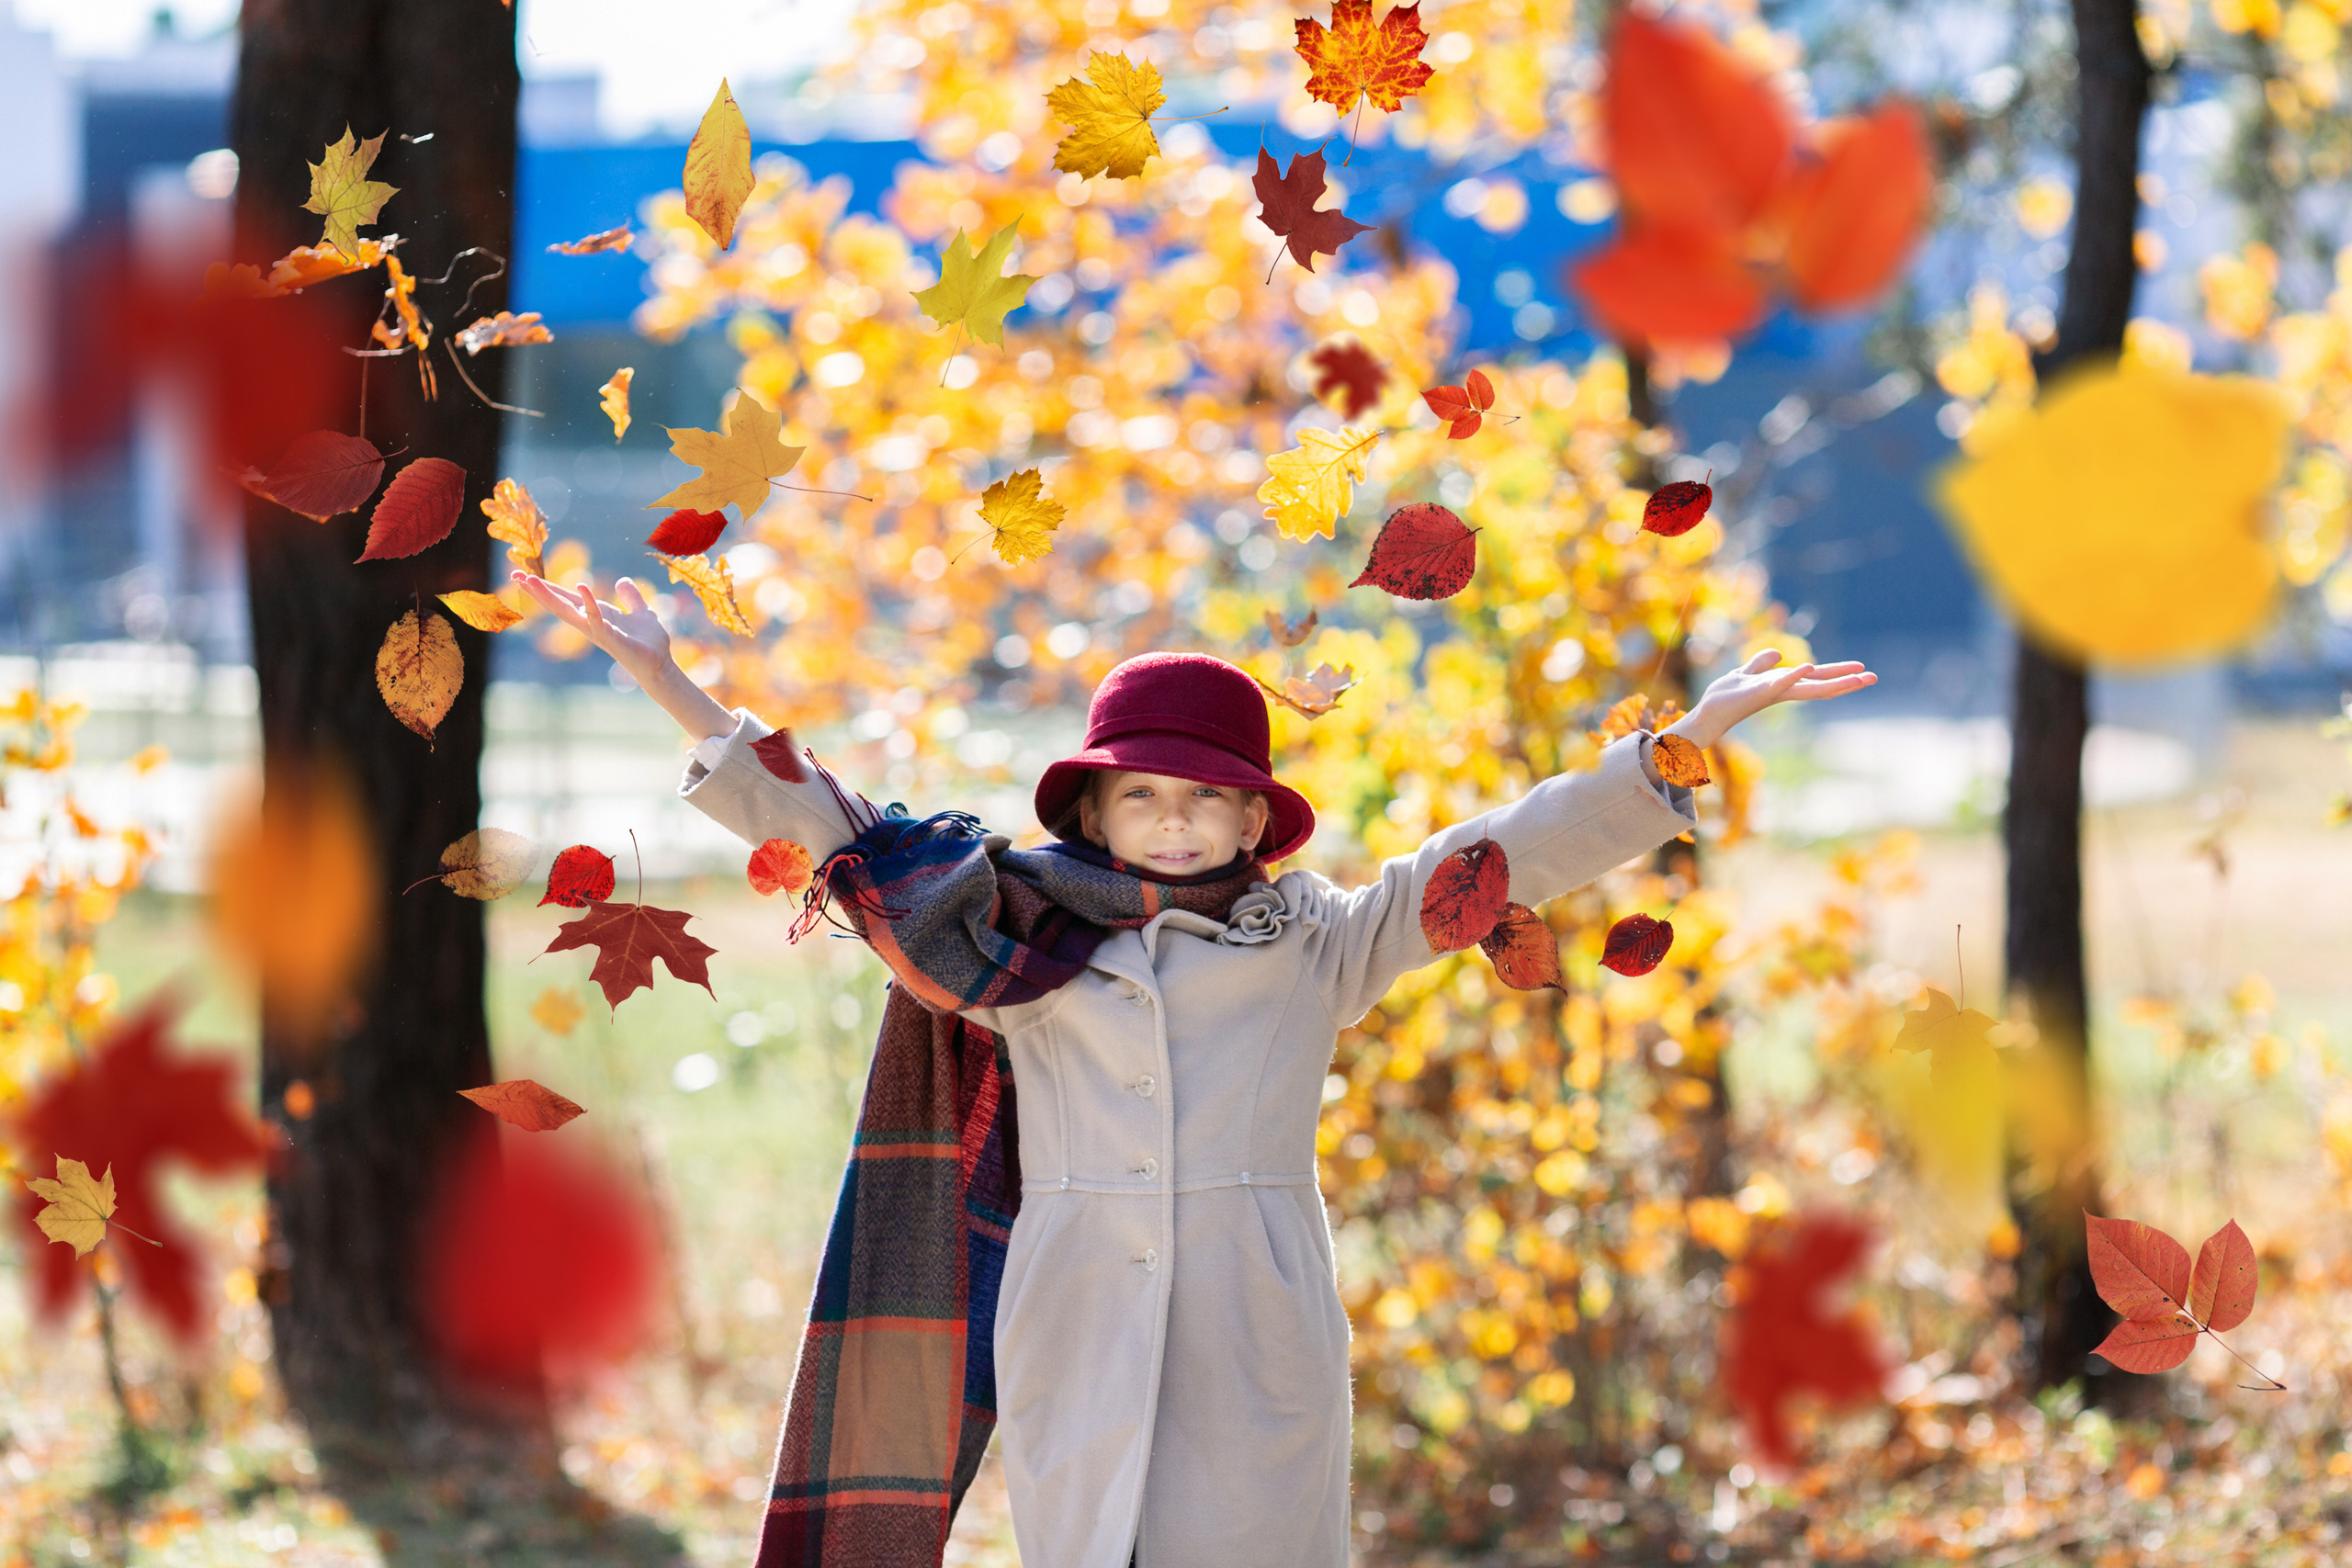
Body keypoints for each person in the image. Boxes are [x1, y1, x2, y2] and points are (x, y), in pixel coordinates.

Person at [513, 570, 1877, 1568]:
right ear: (1096, 808)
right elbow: (834, 828)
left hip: (1255, 1310)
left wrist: (1676, 749)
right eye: (1144, 797)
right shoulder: (1009, 931)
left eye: (1205, 797)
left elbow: (1498, 856)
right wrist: (669, 681)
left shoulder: (1320, 938)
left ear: (1252, 815)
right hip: (1073, 1306)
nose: (1174, 823)